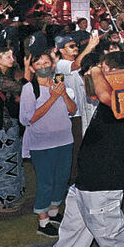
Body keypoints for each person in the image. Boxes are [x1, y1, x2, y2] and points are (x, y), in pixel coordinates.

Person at [12, 51, 124, 247]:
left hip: (103, 183)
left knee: (109, 233)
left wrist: (96, 71)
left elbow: (105, 93)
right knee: (70, 235)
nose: (97, 73)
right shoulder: (110, 96)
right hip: (85, 180)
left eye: (104, 69)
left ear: (116, 74)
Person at [20, 49, 76, 237]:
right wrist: (52, 97)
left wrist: (63, 94)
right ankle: (42, 221)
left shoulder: (59, 83)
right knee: (46, 182)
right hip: (42, 144)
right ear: (33, 68)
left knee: (62, 178)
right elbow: (28, 119)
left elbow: (72, 109)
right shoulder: (29, 89)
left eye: (46, 62)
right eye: (39, 63)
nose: (44, 66)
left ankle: (53, 211)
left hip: (65, 140)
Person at [0, 42, 25, 212]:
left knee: (10, 160)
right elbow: (22, 87)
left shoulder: (3, 75)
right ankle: (0, 202)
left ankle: (8, 198)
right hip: (3, 125)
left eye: (12, 55)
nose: (12, 59)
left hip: (8, 123)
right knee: (4, 161)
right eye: (7, 56)